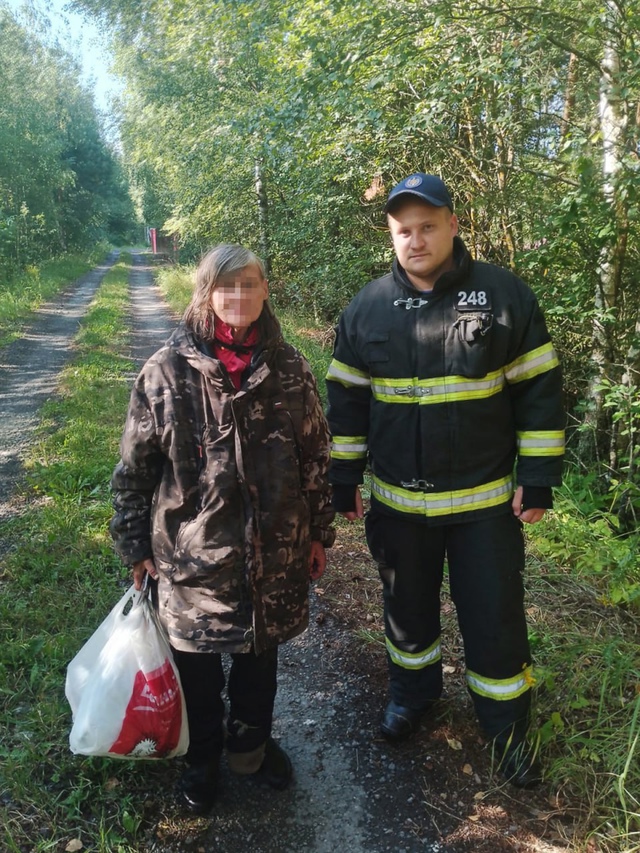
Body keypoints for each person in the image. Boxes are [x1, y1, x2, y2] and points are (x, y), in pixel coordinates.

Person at [326, 173, 564, 788]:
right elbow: (347, 401)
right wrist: (342, 477)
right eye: (403, 230)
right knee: (406, 613)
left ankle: (506, 731)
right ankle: (412, 697)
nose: (415, 239)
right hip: (398, 507)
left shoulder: (504, 295)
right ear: (390, 236)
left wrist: (537, 478)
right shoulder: (367, 307)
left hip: (487, 508)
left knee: (496, 620)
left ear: (454, 224)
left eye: (427, 226)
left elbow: (539, 393)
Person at [110, 243, 335, 814]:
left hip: (276, 557)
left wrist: (318, 532)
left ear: (264, 291)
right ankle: (202, 758)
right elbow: (135, 470)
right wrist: (135, 544)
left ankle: (250, 752)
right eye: (226, 287)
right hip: (191, 561)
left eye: (250, 284)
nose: (239, 297)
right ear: (206, 294)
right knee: (198, 671)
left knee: (262, 660)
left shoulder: (289, 368)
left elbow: (316, 455)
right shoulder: (164, 372)